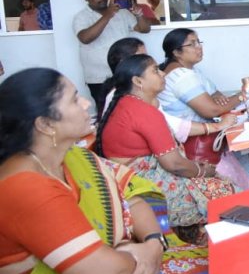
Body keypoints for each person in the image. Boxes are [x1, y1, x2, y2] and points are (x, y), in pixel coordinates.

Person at [0, 68, 210, 274]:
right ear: (46, 125)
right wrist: (140, 255)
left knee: (219, 270)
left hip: (131, 269)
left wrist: (153, 243)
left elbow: (134, 196)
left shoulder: (73, 157)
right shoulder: (25, 187)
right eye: (74, 99)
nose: (86, 103)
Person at [97, 54, 237, 233]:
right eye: (155, 71)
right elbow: (174, 165)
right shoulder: (143, 111)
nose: (163, 73)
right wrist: (203, 171)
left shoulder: (127, 103)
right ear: (138, 81)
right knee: (230, 192)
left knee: (217, 180)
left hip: (135, 182)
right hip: (147, 187)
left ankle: (199, 237)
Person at [156, 29, 249, 186]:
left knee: (240, 147)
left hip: (204, 135)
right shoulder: (181, 75)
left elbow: (216, 94)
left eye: (199, 42)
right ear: (176, 52)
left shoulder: (190, 70)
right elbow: (212, 110)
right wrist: (243, 94)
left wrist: (217, 101)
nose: (199, 47)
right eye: (192, 44)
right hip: (195, 145)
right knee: (241, 150)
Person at [74, 0, 150, 118]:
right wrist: (107, 15)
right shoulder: (82, 17)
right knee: (106, 114)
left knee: (130, 111)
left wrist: (139, 14)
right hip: (99, 77)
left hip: (125, 73)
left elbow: (144, 29)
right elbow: (85, 38)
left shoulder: (122, 13)